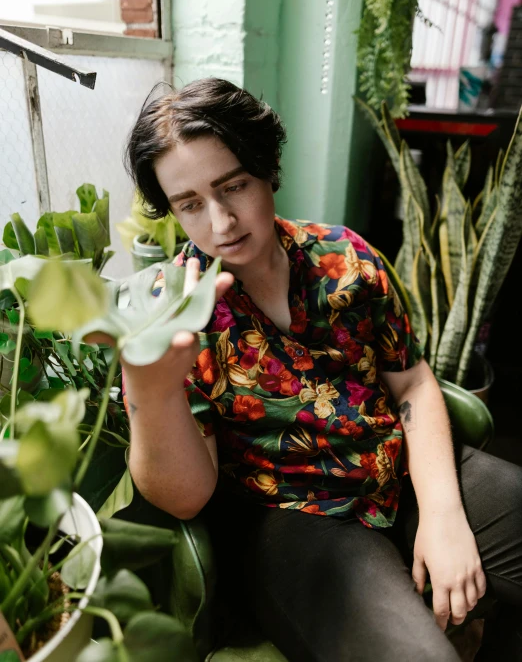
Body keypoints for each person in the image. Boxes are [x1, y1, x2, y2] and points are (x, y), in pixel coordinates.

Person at [116, 78, 522, 661]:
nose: (221, 221)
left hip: (398, 473)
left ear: (266, 169)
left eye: (234, 186)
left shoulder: (346, 259)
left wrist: (442, 513)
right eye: (190, 204)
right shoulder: (167, 310)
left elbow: (410, 379)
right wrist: (151, 395)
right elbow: (186, 498)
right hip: (295, 522)